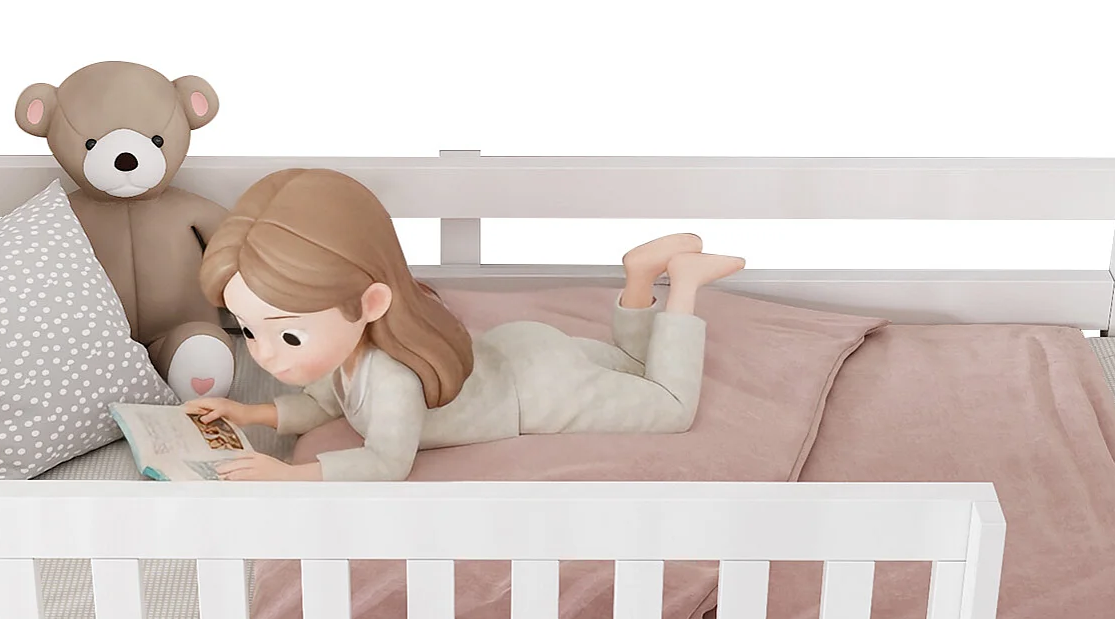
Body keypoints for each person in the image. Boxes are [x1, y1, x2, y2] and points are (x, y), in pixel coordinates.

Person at [183, 166, 743, 481]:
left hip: (539, 392)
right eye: (249, 330)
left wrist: (288, 476)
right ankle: (640, 278)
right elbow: (325, 405)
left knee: (670, 406)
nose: (265, 354)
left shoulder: (392, 378)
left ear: (371, 302)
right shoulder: (350, 352)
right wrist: (249, 413)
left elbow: (386, 462)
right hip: (521, 354)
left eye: (288, 335)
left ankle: (683, 285)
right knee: (632, 368)